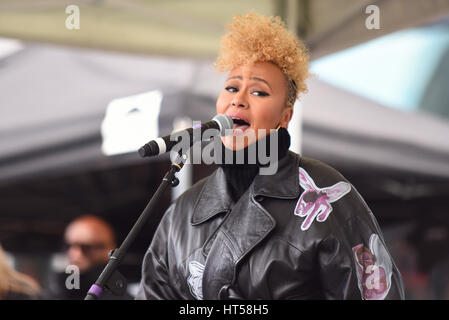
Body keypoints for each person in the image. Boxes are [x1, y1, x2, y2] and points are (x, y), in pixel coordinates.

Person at [136, 13, 404, 300]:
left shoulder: (328, 194)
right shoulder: (182, 213)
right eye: (231, 87)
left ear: (284, 117)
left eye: (259, 92)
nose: (238, 99)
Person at [50, 214, 131, 299]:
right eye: (68, 246)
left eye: (86, 248)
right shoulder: (60, 292)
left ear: (110, 249)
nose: (74, 254)